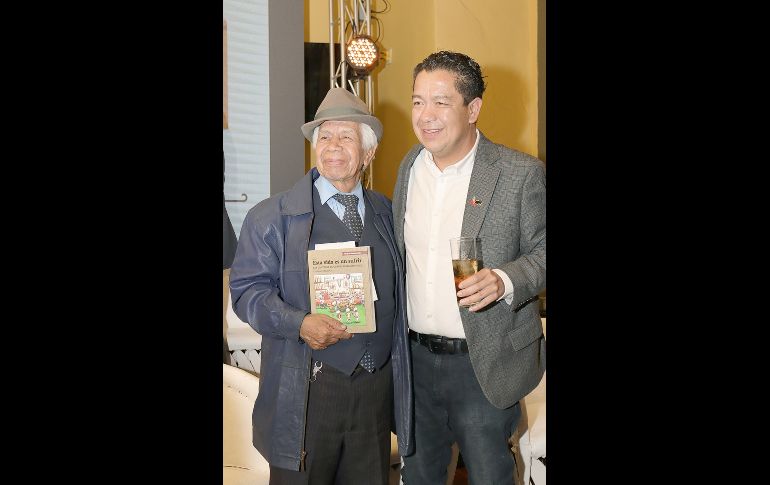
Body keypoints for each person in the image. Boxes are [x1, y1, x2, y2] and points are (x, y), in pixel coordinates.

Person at [229, 87, 413, 484]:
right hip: (308, 389)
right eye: (324, 136)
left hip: (374, 392)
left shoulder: (389, 213)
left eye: (346, 136)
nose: (333, 146)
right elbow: (247, 293)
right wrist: (299, 323)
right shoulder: (270, 217)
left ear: (368, 153)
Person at [392, 51, 546, 484]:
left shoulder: (520, 173)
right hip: (416, 361)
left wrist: (504, 279)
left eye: (441, 102)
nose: (425, 115)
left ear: (473, 108)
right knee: (418, 477)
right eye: (418, 101)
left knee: (490, 477)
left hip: (483, 363)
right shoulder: (410, 166)